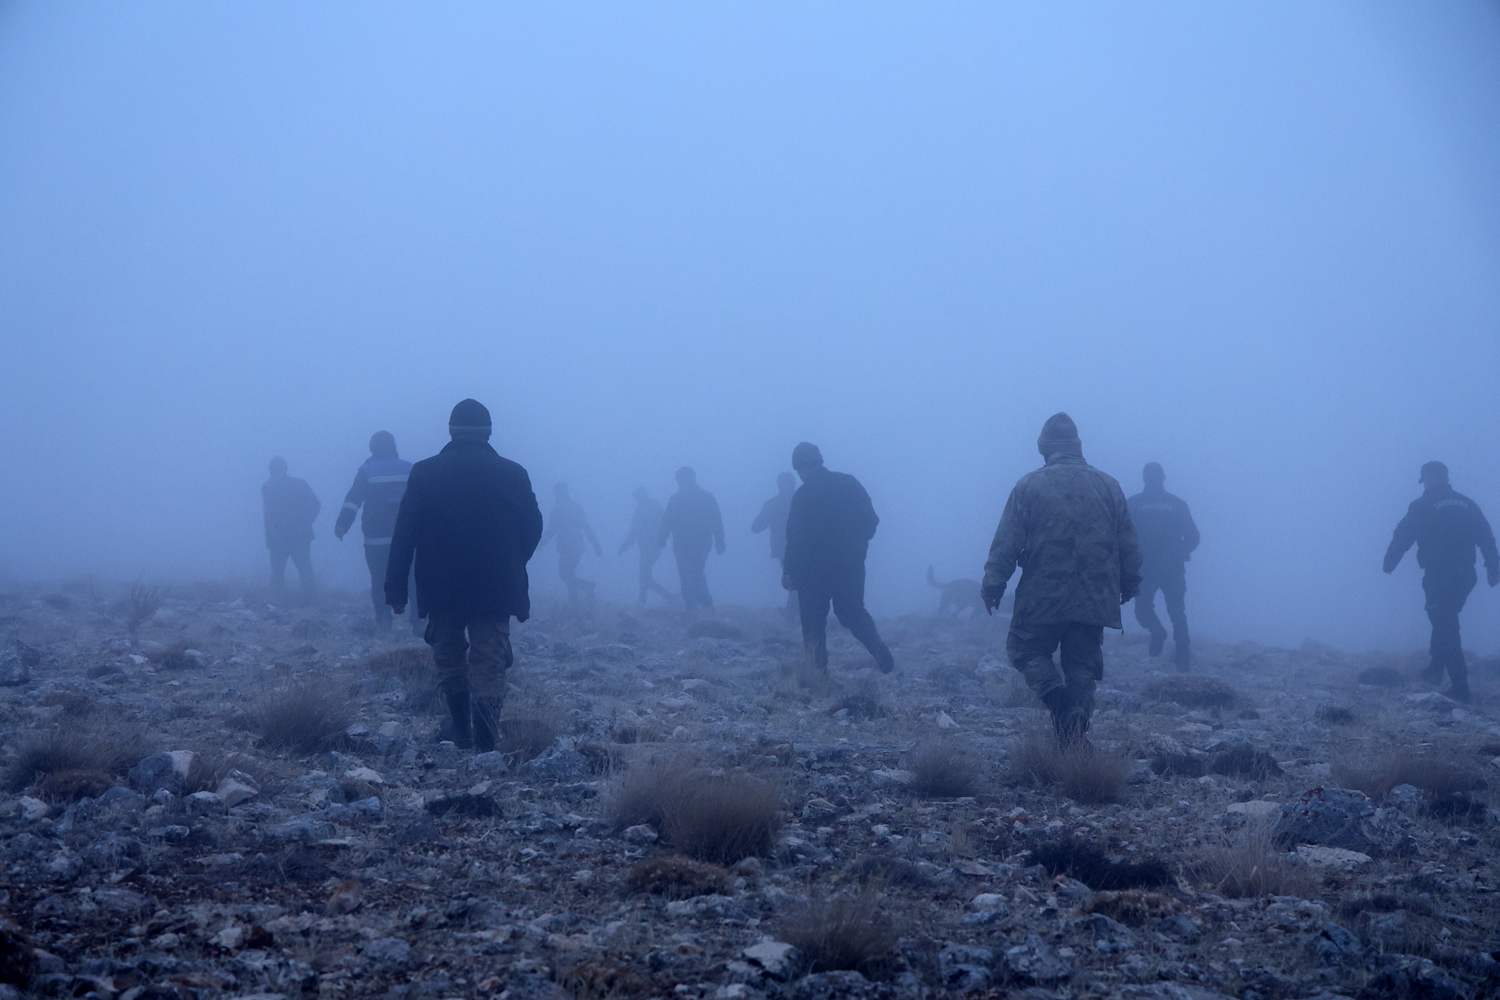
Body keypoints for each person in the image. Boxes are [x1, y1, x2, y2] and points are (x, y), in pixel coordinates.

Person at [386, 399, 543, 751]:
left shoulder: (425, 472)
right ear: (488, 431)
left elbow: (405, 532)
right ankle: (486, 744)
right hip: (495, 585)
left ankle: (461, 731)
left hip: (441, 585)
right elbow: (533, 526)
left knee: (449, 655)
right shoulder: (513, 472)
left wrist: (395, 590)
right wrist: (514, 561)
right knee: (489, 660)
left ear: (451, 431)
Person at [982, 413, 1142, 747]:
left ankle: (1061, 705)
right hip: (1096, 595)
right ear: (1077, 446)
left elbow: (1007, 541)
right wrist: (1129, 583)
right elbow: (1128, 542)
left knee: (1024, 649)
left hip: (1044, 594)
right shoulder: (1108, 485)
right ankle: (1074, 739)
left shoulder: (1029, 486)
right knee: (1082, 666)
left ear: (1044, 448)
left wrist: (994, 583)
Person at [1383, 461, 1498, 703]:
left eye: (1424, 480)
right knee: (1445, 617)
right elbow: (1487, 538)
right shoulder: (1468, 504)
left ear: (1428, 479)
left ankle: (1461, 688)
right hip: (1466, 576)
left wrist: (1390, 561)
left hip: (1439, 575)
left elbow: (1403, 535)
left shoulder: (1422, 505)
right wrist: (1493, 568)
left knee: (1445, 624)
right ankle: (1435, 670)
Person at [781, 443, 895, 674]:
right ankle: (877, 648)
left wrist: (789, 569)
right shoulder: (849, 483)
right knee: (851, 611)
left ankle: (818, 672)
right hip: (850, 565)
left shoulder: (803, 496)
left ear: (799, 468)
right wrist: (857, 547)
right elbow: (872, 521)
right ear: (820, 460)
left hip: (812, 571)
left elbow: (795, 537)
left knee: (813, 621)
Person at [334, 431, 418, 633]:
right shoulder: (410, 468)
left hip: (376, 540)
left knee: (379, 580)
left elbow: (353, 500)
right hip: (407, 539)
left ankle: (383, 621)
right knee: (413, 580)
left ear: (372, 448)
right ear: (394, 446)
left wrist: (342, 525)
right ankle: (418, 623)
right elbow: (422, 502)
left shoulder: (367, 470)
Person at [1127, 462, 1200, 671]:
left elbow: (1120, 536)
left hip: (1144, 569)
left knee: (1142, 610)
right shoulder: (1177, 504)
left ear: (1143, 478)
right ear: (1163, 478)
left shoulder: (1133, 504)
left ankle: (1157, 631)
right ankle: (1183, 659)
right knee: (1178, 613)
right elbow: (1194, 536)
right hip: (1173, 567)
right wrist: (1183, 551)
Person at [657, 466, 725, 613]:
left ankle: (693, 608)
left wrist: (662, 538)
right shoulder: (706, 496)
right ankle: (705, 604)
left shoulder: (677, 498)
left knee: (687, 573)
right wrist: (720, 541)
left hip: (683, 543)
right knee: (697, 571)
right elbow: (716, 520)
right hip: (701, 543)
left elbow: (667, 520)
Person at [262, 456, 320, 596]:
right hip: (300, 535)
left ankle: (278, 602)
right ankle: (310, 602)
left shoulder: (267, 486)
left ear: (271, 470)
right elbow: (316, 505)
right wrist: (305, 523)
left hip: (277, 537)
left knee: (277, 573)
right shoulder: (300, 484)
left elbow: (268, 516)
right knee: (305, 570)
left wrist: (270, 539)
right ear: (285, 468)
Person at [538, 482, 602, 604]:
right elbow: (587, 528)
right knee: (569, 574)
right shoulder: (576, 507)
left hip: (566, 547)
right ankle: (574, 602)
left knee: (565, 575)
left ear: (557, 493)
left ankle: (587, 586)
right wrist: (596, 544)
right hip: (577, 547)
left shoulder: (558, 509)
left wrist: (540, 544)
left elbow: (550, 531)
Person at [753, 472, 798, 615]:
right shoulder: (805, 500)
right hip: (801, 548)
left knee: (793, 579)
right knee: (798, 580)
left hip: (783, 549)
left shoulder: (772, 504)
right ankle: (793, 612)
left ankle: (792, 613)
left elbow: (757, 526)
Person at [620, 487, 675, 604]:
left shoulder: (640, 510)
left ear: (640, 496)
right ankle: (643, 602)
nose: (636, 499)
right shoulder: (657, 507)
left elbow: (634, 531)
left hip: (647, 547)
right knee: (644, 575)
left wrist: (624, 547)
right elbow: (665, 524)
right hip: (656, 546)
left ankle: (668, 597)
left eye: (637, 497)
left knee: (644, 577)